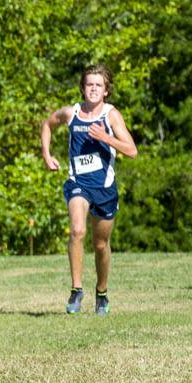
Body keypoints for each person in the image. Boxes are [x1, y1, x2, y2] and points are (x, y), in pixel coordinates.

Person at [40, 63, 138, 315]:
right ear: (83, 88)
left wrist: (105, 138)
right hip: (78, 183)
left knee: (100, 245)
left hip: (104, 188)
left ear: (106, 91)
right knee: (77, 230)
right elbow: (47, 125)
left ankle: (102, 292)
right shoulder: (71, 113)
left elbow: (132, 151)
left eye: (99, 85)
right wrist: (47, 155)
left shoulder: (111, 115)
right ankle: (76, 290)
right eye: (89, 85)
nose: (93, 89)